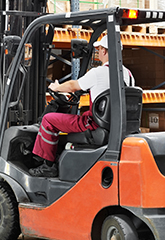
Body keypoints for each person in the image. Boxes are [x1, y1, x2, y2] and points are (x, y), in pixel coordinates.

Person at [29, 35, 135, 177]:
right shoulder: (128, 75)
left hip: (93, 125)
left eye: (99, 49)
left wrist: (57, 87)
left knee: (48, 120)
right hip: (117, 127)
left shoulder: (97, 73)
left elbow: (73, 85)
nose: (98, 52)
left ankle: (47, 165)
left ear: (104, 51)